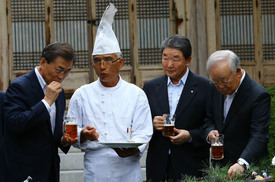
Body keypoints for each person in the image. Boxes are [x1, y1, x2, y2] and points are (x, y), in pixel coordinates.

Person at [66, 3, 153, 182]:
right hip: (96, 167)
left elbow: (143, 132)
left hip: (128, 166)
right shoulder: (82, 94)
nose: (102, 66)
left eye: (107, 60)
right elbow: (71, 131)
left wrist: (134, 148)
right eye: (97, 61)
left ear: (120, 63)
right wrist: (83, 134)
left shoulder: (136, 94)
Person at [2, 42, 77, 182]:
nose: (62, 77)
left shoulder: (58, 92)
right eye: (59, 70)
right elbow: (14, 124)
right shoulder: (20, 86)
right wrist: (46, 102)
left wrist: (64, 140)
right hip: (24, 172)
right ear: (43, 62)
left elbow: (51, 131)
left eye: (67, 72)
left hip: (50, 171)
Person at [143, 34, 210, 181]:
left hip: (191, 165)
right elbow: (139, 123)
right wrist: (152, 123)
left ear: (188, 60)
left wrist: (190, 136)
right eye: (165, 58)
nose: (169, 64)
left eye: (175, 59)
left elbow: (211, 124)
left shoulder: (205, 87)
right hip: (158, 166)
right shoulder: (151, 87)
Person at [203, 50, 270, 178]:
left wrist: (242, 163)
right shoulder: (214, 88)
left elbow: (259, 135)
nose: (220, 87)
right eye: (215, 82)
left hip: (249, 169)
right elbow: (208, 119)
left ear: (238, 72)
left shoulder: (258, 95)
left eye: (224, 81)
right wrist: (210, 132)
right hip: (219, 167)